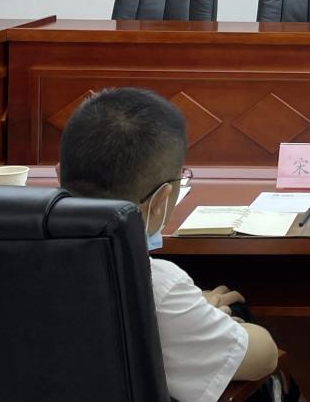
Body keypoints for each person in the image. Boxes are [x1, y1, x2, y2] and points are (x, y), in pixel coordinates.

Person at [57, 88, 281, 402]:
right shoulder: (153, 284)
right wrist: (201, 312)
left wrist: (190, 309)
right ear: (161, 199)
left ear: (59, 175)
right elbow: (263, 356)